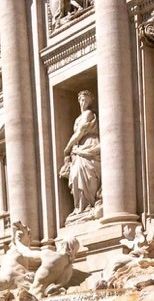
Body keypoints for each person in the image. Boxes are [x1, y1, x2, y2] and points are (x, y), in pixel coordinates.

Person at [60, 89, 102, 221]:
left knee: (88, 174)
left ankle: (89, 204)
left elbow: (80, 132)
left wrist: (67, 148)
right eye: (80, 100)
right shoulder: (78, 117)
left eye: (85, 100)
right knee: (76, 175)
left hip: (89, 144)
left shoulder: (89, 114)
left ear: (90, 101)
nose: (82, 102)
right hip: (79, 149)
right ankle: (80, 207)